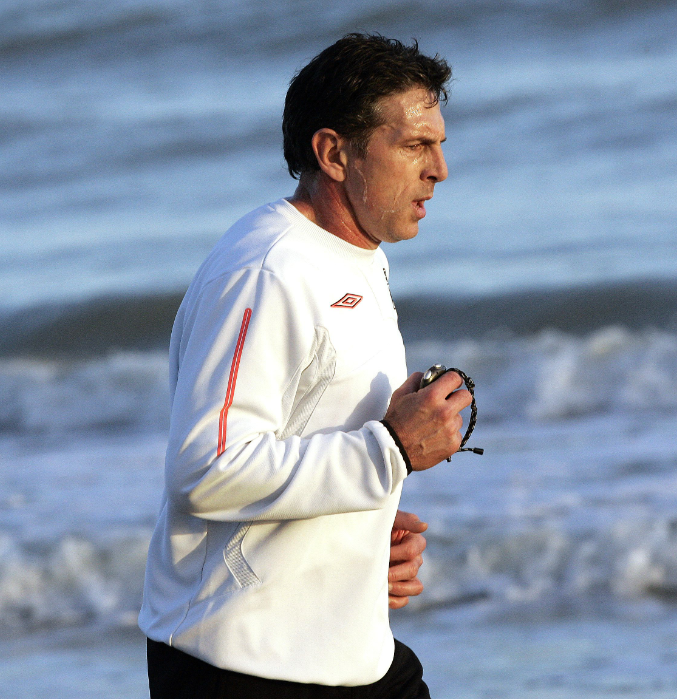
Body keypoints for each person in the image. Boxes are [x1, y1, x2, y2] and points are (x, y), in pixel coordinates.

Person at [139, 33, 472, 698]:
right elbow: (206, 470)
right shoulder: (267, 270)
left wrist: (357, 541)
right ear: (333, 153)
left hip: (345, 651)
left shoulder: (357, 255)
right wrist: (392, 450)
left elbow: (307, 433)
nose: (439, 168)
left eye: (438, 144)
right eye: (414, 145)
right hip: (241, 663)